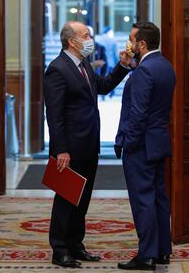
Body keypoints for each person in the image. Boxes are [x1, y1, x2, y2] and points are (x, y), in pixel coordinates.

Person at [43, 21, 132, 268]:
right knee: (66, 199)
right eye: (86, 35)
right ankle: (59, 249)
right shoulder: (57, 69)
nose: (91, 38)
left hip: (89, 144)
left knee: (81, 199)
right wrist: (61, 149)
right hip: (68, 150)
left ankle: (75, 245)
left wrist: (123, 66)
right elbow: (54, 114)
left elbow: (102, 87)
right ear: (72, 41)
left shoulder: (82, 65)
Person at [115, 21, 176, 271]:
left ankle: (146, 255)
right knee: (159, 197)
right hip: (159, 141)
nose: (128, 43)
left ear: (141, 44)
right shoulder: (164, 66)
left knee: (143, 200)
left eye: (131, 39)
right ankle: (162, 251)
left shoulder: (143, 71)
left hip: (141, 146)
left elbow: (138, 113)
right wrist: (131, 67)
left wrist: (128, 143)